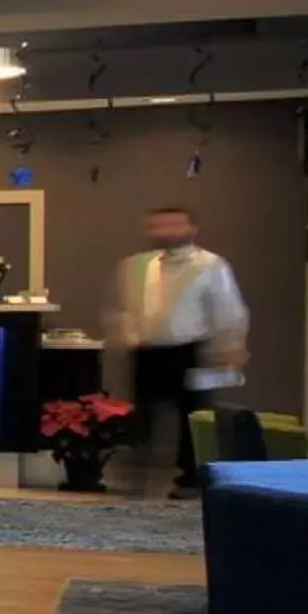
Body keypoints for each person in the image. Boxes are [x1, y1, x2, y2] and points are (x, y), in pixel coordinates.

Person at [106, 204, 248, 497]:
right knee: (142, 415)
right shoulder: (135, 265)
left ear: (190, 229)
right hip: (148, 352)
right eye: (159, 225)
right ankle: (134, 478)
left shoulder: (211, 265)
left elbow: (228, 309)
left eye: (173, 225)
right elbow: (124, 307)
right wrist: (127, 334)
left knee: (191, 416)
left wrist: (232, 345)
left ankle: (189, 481)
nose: (165, 232)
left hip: (190, 351)